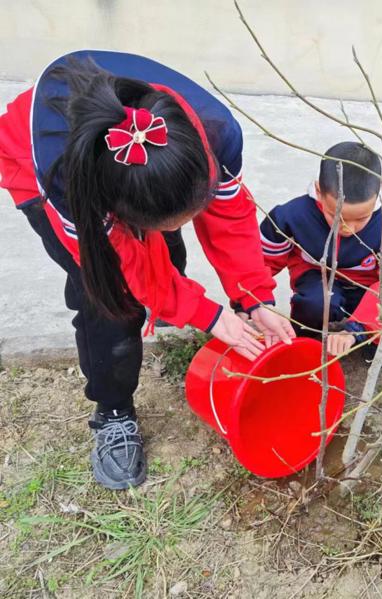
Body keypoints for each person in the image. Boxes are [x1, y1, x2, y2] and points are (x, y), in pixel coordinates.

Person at [0, 51, 295, 490]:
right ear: (122, 213)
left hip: (143, 172)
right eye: (159, 224)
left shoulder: (216, 133)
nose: (179, 227)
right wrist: (210, 317)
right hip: (44, 166)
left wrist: (254, 297)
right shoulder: (64, 179)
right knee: (110, 299)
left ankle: (164, 291)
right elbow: (123, 268)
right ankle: (112, 410)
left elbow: (231, 216)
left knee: (167, 261)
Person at [258, 141, 382, 357]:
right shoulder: (290, 217)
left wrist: (357, 329)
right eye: (335, 216)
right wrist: (253, 302)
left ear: (377, 195)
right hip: (316, 278)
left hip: (365, 285)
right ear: (319, 191)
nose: (348, 228)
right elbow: (261, 262)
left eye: (361, 218)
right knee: (317, 302)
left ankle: (367, 344)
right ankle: (305, 339)